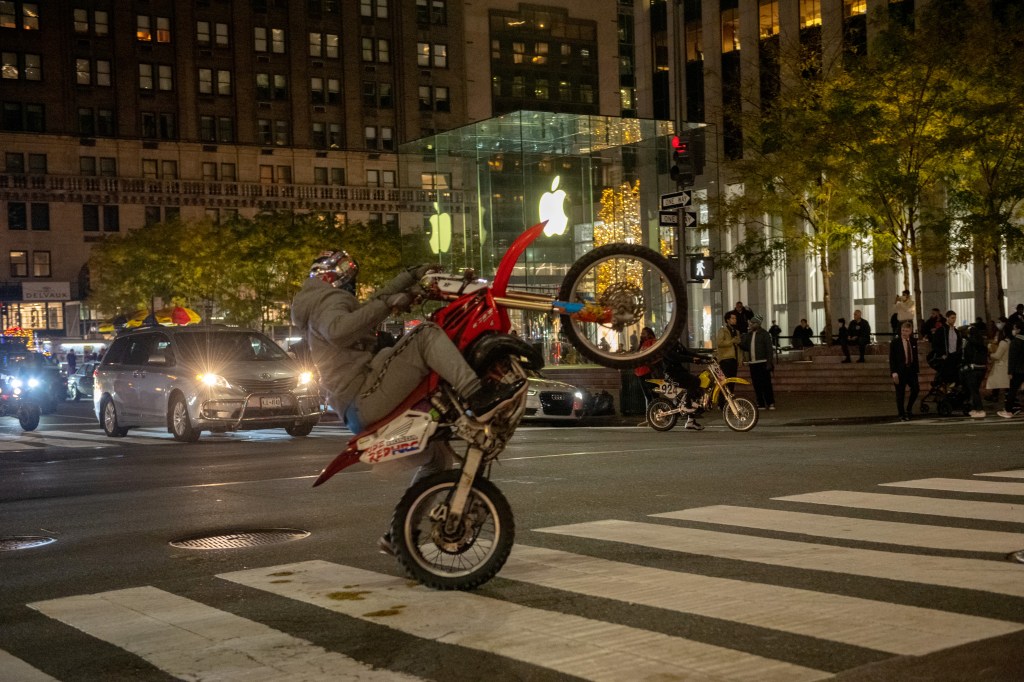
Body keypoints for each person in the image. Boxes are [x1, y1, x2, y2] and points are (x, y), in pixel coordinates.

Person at [290, 250, 525, 552]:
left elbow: (377, 299)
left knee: (438, 461)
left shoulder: (322, 301)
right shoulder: (327, 302)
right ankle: (477, 396)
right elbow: (340, 331)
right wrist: (390, 302)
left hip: (360, 397)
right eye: (351, 273)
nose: (354, 280)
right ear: (339, 275)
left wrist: (412, 275)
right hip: (363, 394)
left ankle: (398, 533)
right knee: (426, 334)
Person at [661, 341, 709, 430]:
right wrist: (692, 359)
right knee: (695, 381)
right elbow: (676, 357)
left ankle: (690, 421)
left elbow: (687, 353)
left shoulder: (677, 344)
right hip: (672, 374)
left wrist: (706, 357)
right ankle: (687, 405)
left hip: (679, 372)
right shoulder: (666, 346)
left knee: (697, 391)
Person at [741, 315, 775, 410]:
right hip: (753, 363)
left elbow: (769, 349)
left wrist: (769, 363)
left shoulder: (764, 334)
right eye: (750, 323)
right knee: (756, 384)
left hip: (763, 362)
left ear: (758, 324)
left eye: (753, 323)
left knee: (766, 384)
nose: (751, 325)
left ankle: (770, 402)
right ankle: (761, 403)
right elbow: (745, 346)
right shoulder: (750, 334)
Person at [889, 321, 920, 421]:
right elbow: (892, 358)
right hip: (900, 371)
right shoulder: (895, 343)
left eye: (906, 331)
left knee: (916, 388)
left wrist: (916, 369)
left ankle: (909, 408)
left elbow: (914, 356)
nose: (904, 332)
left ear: (910, 331)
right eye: (903, 330)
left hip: (911, 370)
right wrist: (894, 372)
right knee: (900, 393)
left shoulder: (913, 341)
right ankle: (901, 414)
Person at [997, 319, 1024, 418]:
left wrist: (1010, 371)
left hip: (1017, 370)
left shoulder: (1015, 342)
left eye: (1015, 328)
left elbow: (1012, 358)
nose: (1014, 330)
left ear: (1018, 330)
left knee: (1012, 390)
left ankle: (1008, 410)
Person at [961, 323, 988, 418]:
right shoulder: (982, 343)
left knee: (974, 390)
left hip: (973, 369)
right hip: (982, 369)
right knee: (975, 389)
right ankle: (974, 408)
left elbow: (966, 357)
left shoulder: (969, 343)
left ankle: (980, 409)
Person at [931, 310, 963, 384]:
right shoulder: (941, 330)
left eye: (955, 318)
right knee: (946, 377)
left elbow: (959, 344)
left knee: (954, 377)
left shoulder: (956, 331)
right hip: (946, 357)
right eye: (952, 318)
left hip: (955, 357)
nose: (954, 320)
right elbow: (935, 344)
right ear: (947, 318)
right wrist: (942, 354)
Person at [634, 327, 658, 409]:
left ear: (649, 334)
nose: (641, 335)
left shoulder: (653, 341)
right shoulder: (642, 343)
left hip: (648, 371)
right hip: (640, 372)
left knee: (653, 393)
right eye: (641, 333)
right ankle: (650, 414)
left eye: (644, 333)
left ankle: (655, 412)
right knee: (647, 395)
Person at [985, 323, 1009, 403]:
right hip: (1005, 365)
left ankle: (996, 396)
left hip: (1001, 365)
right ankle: (999, 395)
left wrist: (990, 354)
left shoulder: (1003, 343)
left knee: (995, 380)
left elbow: (997, 356)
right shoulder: (1009, 341)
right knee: (1002, 382)